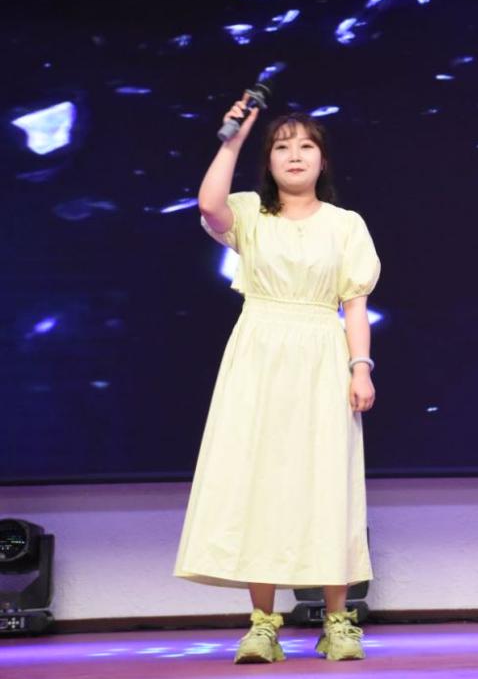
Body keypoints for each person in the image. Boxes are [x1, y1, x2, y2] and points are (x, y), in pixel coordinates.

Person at [174, 97, 381, 663]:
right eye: (282, 146)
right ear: (267, 161)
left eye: (306, 145)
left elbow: (355, 306)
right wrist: (234, 138)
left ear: (322, 160)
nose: (295, 155)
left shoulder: (345, 225)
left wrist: (360, 367)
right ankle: (263, 624)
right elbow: (208, 204)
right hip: (258, 353)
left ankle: (337, 620)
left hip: (321, 353)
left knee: (327, 480)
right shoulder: (250, 213)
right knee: (257, 480)